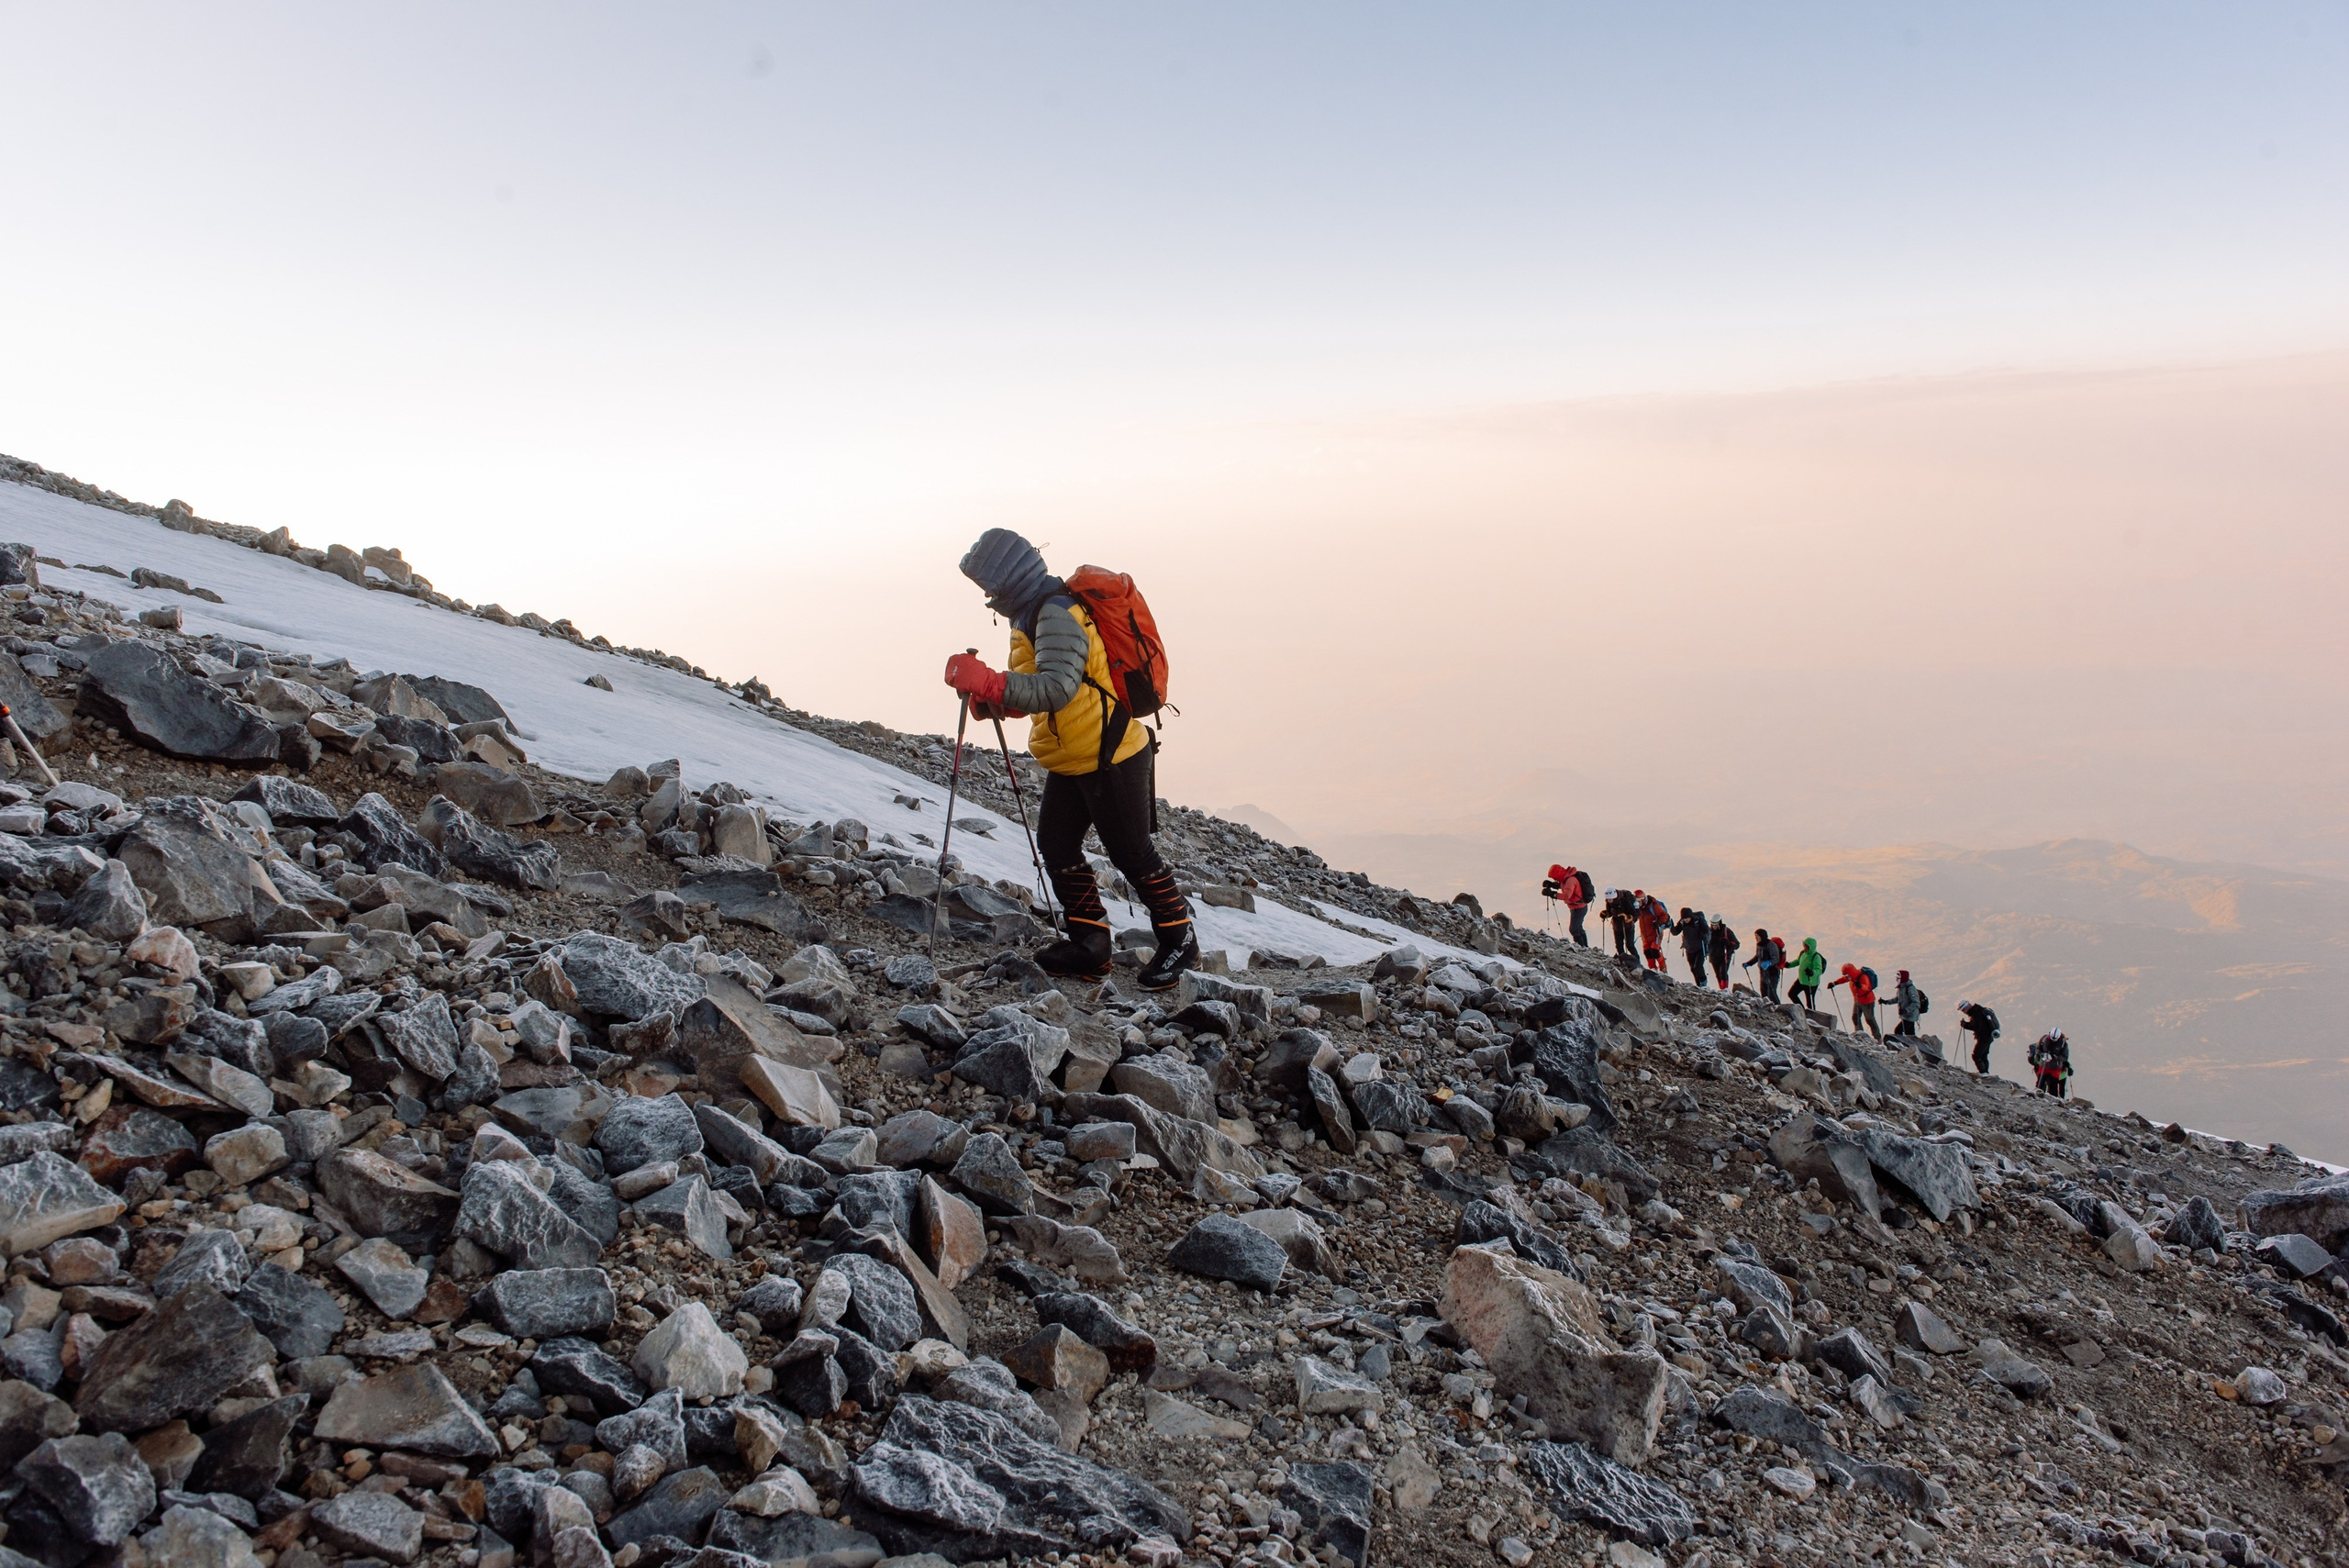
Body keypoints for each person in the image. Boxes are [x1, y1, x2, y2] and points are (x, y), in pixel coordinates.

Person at [945, 528, 1196, 988]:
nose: (987, 595)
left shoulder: (1056, 613)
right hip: (1072, 755)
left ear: (1008, 576)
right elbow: (1037, 688)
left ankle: (1180, 939)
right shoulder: (1029, 614)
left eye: (988, 584)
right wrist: (988, 698)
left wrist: (992, 684)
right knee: (1057, 846)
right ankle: (1091, 945)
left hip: (1111, 753)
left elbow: (1056, 689)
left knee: (1131, 853)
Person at [1829, 962, 1882, 1040]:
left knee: (1870, 1020)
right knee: (1855, 1017)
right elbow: (1844, 979)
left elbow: (1866, 987)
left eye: (1846, 974)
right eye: (1845, 974)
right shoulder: (1851, 977)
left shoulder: (1863, 977)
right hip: (1857, 1000)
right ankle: (1859, 1035)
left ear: (1851, 972)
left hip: (1867, 1001)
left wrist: (1860, 986)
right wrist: (1835, 983)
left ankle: (1878, 1038)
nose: (1846, 976)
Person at [1546, 863, 1593, 947]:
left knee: (1574, 929)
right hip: (1578, 907)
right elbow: (1563, 885)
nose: (1555, 879)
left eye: (1554, 877)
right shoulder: (1566, 878)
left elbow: (1567, 896)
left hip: (1578, 908)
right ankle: (1585, 947)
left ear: (1558, 874)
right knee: (1578, 928)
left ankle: (1581, 948)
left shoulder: (1570, 880)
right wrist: (1552, 885)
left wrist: (1553, 894)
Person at [1957, 999, 2000, 1074]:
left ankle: (1983, 1073)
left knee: (1976, 1056)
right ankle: (1986, 1073)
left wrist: (1965, 1025)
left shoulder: (1976, 1014)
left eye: (1963, 1010)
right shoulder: (1980, 1010)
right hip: (1989, 1037)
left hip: (1984, 1038)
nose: (1963, 1012)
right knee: (1983, 1055)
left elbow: (1976, 1027)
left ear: (1965, 1008)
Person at [1742, 928, 1786, 1002]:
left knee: (1771, 993)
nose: (1756, 937)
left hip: (1772, 973)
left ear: (1762, 936)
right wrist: (1749, 963)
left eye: (1757, 936)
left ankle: (1778, 1009)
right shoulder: (1759, 945)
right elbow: (1757, 957)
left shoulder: (1771, 945)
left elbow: (1776, 958)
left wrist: (1768, 963)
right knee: (1764, 993)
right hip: (1763, 973)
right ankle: (1768, 1009)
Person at [1634, 890, 1670, 973]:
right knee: (1647, 952)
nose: (1637, 903)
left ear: (1643, 900)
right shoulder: (1640, 909)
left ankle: (1662, 967)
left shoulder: (1653, 906)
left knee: (1655, 951)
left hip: (1656, 933)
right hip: (1645, 935)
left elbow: (1664, 915)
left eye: (1638, 901)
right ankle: (1653, 969)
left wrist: (1659, 923)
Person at [1673, 906, 1709, 985]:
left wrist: (1704, 936)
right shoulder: (1682, 922)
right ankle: (1699, 984)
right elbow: (1675, 932)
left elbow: (1706, 930)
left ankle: (1703, 983)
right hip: (1690, 949)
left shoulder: (1697, 921)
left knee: (1698, 966)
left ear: (1691, 916)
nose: (1686, 920)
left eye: (1687, 918)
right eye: (1684, 918)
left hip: (1700, 948)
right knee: (1693, 969)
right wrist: (1671, 925)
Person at [2030, 1028, 2072, 1097]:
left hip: (2054, 1067)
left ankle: (2052, 1099)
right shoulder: (2044, 1039)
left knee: (2053, 1085)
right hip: (2044, 1065)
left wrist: (2055, 1057)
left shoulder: (2063, 1044)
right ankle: (2037, 1096)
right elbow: (2038, 1049)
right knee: (2040, 1082)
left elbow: (2065, 1057)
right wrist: (2042, 1054)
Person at [1788, 937, 1825, 1011]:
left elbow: (1819, 970)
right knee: (1791, 994)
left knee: (1810, 1003)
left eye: (1806, 946)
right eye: (1804, 946)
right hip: (1801, 980)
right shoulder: (1803, 953)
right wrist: (1788, 965)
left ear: (1811, 947)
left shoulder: (1816, 956)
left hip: (1811, 983)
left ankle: (1813, 1018)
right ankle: (1802, 1011)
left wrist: (1812, 972)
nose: (1804, 947)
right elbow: (1797, 961)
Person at [1602, 887, 1637, 961]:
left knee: (1630, 946)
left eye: (1610, 899)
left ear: (1614, 897)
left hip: (1628, 927)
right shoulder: (1609, 902)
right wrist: (1606, 914)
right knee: (1619, 946)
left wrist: (1627, 917)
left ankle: (1636, 961)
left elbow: (1634, 914)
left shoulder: (1625, 901)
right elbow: (1610, 912)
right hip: (1617, 927)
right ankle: (1623, 960)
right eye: (1608, 899)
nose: (1609, 901)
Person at [1888, 970, 1926, 1038]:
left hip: (1910, 1016)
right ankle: (1912, 1046)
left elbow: (1916, 1003)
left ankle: (1904, 1046)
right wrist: (1886, 1002)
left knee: (1898, 1031)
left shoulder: (1910, 989)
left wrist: (1906, 1010)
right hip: (1906, 1015)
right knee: (1910, 1034)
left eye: (1898, 978)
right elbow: (1898, 999)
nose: (1896, 980)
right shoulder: (1901, 988)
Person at [1707, 916, 1741, 990]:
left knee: (1723, 973)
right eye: (1712, 924)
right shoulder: (1709, 932)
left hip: (1724, 957)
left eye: (1715, 924)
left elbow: (1737, 944)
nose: (1714, 926)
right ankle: (1722, 989)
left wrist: (1728, 943)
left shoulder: (1726, 931)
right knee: (1718, 975)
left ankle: (1725, 989)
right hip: (1713, 957)